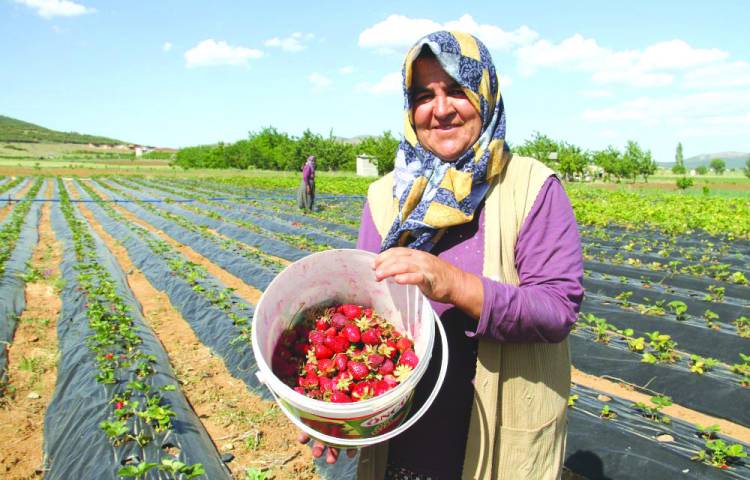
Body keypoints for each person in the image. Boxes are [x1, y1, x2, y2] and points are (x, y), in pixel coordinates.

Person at [300, 30, 584, 479]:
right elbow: (367, 314)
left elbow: (556, 309)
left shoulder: (532, 188)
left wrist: (452, 282)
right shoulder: (386, 196)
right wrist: (335, 410)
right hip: (405, 422)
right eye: (423, 95)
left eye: (456, 90)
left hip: (494, 419)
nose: (441, 108)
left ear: (485, 94)